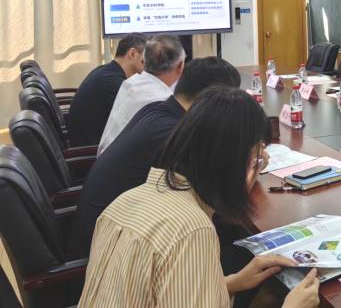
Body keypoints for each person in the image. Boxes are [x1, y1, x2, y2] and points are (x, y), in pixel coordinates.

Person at [79, 87, 320, 308]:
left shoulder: (124, 201)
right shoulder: (192, 229)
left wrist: (231, 283)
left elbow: (154, 292)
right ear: (233, 162)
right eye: (256, 161)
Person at [70, 57, 242, 258]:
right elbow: (213, 198)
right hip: (114, 252)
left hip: (106, 231)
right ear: (213, 100)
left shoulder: (157, 110)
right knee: (238, 246)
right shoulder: (174, 133)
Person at [98, 34, 185, 155]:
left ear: (143, 61)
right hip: (128, 164)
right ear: (180, 66)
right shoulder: (162, 101)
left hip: (104, 160)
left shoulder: (130, 83)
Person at [65, 33, 147, 146]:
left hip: (85, 143)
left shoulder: (105, 72)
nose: (149, 62)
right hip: (92, 151)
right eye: (146, 58)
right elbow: (139, 120)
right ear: (132, 53)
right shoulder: (114, 83)